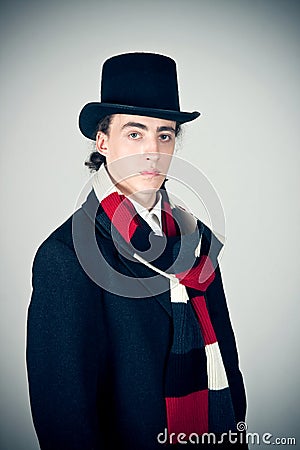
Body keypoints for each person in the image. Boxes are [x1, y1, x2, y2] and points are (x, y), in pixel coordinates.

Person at [26, 52, 247, 450]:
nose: (153, 150)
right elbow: (64, 418)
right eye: (134, 133)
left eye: (164, 134)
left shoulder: (195, 241)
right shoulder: (65, 256)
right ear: (102, 142)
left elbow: (227, 363)